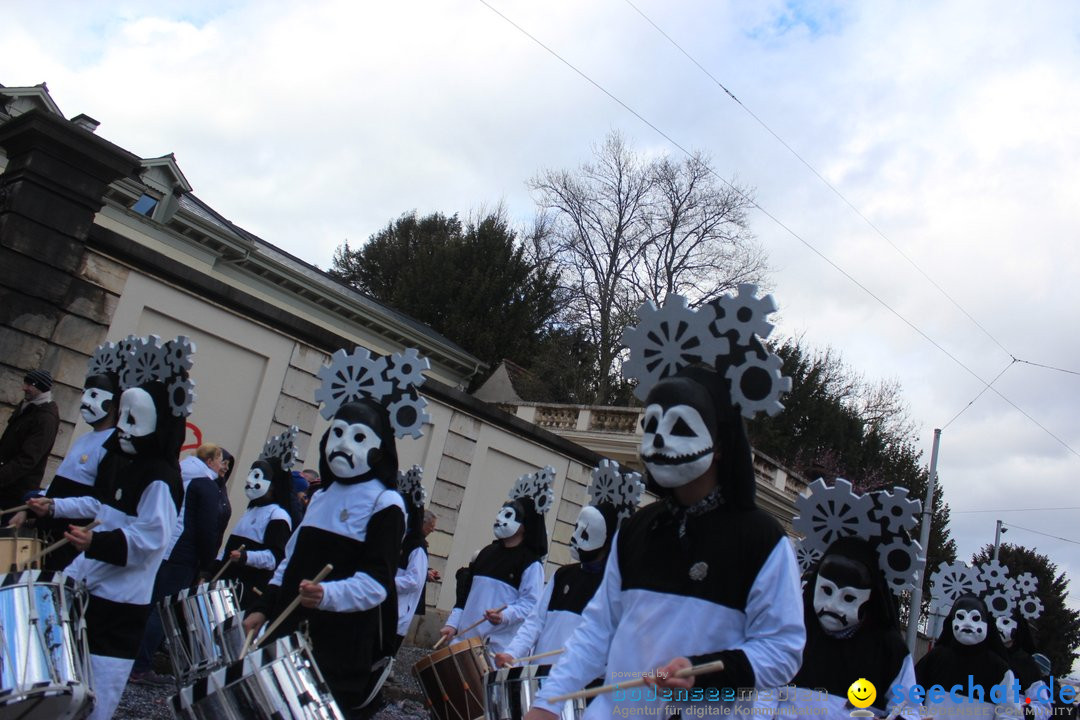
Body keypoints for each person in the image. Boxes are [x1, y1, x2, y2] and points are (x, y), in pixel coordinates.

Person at [525, 367, 805, 719]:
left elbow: (783, 648)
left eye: (680, 427)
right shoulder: (636, 528)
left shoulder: (763, 541)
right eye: (652, 425)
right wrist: (548, 703)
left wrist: (704, 672)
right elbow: (598, 628)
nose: (658, 440)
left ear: (719, 443)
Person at [29, 378, 184, 720]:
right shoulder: (123, 463)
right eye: (122, 416)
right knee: (66, 679)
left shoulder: (160, 477)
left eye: (133, 419)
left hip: (121, 601)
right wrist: (53, 506)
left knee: (99, 690)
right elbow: (100, 508)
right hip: (89, 585)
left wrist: (96, 542)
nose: (123, 429)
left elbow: (152, 538)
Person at [243, 397, 405, 718]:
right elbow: (289, 561)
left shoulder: (385, 504)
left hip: (338, 648)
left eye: (358, 437)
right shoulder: (321, 497)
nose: (344, 445)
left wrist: (327, 595)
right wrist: (264, 607)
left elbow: (377, 583)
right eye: (338, 433)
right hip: (285, 636)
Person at [496, 460, 642, 671]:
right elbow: (535, 622)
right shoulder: (562, 575)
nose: (575, 538)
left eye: (585, 532)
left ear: (608, 539)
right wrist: (512, 652)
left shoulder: (614, 586)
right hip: (539, 675)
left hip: (578, 684)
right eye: (576, 528)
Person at [778, 536, 919, 720]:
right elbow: (761, 692)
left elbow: (909, 709)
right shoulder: (791, 633)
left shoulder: (888, 649)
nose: (833, 607)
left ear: (869, 597)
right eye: (826, 591)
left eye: (848, 598)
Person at [130, 443, 224, 685]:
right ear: (210, 460)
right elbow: (206, 528)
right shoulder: (206, 485)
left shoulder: (179, 473)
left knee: (146, 603)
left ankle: (128, 656)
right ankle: (140, 666)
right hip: (183, 552)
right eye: (220, 459)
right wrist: (206, 564)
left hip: (161, 545)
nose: (223, 465)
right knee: (163, 611)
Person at [15, 370, 121, 571]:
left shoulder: (114, 447)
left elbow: (100, 504)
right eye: (85, 393)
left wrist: (54, 507)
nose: (85, 402)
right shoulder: (84, 439)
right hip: (46, 538)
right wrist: (31, 507)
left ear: (114, 403)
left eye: (94, 395)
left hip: (67, 546)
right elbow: (58, 487)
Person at [439, 470, 550, 655]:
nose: (499, 519)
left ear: (525, 525)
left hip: (495, 649)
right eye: (501, 513)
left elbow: (531, 604)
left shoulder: (531, 563)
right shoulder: (486, 553)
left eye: (509, 516)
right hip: (464, 644)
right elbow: (465, 595)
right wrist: (453, 623)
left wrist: (504, 616)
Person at [211, 429, 296, 610]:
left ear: (273, 485)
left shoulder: (278, 516)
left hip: (247, 592)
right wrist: (214, 567)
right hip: (226, 587)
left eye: (256, 476)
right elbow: (229, 547)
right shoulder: (251, 510)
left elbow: (274, 557)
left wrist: (246, 557)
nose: (249, 481)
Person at [915, 594, 1021, 717]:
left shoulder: (1000, 670)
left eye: (975, 618)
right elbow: (910, 701)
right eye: (960, 616)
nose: (967, 624)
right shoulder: (934, 659)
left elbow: (1010, 714)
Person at [0, 368, 60, 512]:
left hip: (15, 492)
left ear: (40, 387)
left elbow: (28, 459)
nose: (24, 388)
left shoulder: (46, 418)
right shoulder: (28, 405)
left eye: (29, 384)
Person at [394, 465, 428, 651]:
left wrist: (387, 582)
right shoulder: (392, 538)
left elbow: (414, 580)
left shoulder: (416, 546)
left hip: (397, 613)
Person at [997, 610, 1051, 719]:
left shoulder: (1026, 663)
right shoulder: (979, 656)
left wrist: (1023, 711)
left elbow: (1044, 709)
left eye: (1005, 621)